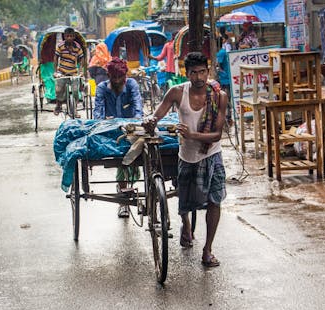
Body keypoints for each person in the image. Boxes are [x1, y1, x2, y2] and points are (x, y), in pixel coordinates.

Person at [143, 52, 228, 267]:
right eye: (193, 73)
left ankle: (208, 249)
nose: (198, 77)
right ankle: (186, 224)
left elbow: (217, 135)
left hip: (212, 154)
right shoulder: (177, 93)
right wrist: (151, 120)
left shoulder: (219, 96)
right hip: (187, 156)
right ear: (186, 73)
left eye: (202, 72)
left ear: (207, 72)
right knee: (185, 200)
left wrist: (192, 135)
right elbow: (158, 113)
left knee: (214, 201)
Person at [93, 57, 143, 218]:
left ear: (125, 75)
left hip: (133, 129)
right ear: (108, 76)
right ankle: (123, 200)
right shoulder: (102, 88)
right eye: (113, 77)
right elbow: (98, 111)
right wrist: (102, 123)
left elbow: (137, 107)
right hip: (112, 132)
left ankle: (139, 193)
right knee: (122, 160)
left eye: (119, 77)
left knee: (145, 154)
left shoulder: (132, 85)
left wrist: (135, 122)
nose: (116, 80)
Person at [53, 27, 84, 115]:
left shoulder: (77, 47)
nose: (69, 38)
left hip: (73, 72)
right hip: (62, 71)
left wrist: (81, 71)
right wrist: (55, 72)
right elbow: (56, 58)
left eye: (71, 36)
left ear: (74, 36)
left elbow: (82, 58)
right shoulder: (60, 46)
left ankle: (75, 109)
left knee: (75, 91)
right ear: (64, 37)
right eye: (67, 36)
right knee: (59, 90)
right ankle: (58, 105)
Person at [216, 35, 233, 126]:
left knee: (224, 100)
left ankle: (226, 118)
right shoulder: (223, 52)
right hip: (226, 79)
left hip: (224, 79)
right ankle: (228, 117)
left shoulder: (221, 53)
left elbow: (218, 66)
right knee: (227, 99)